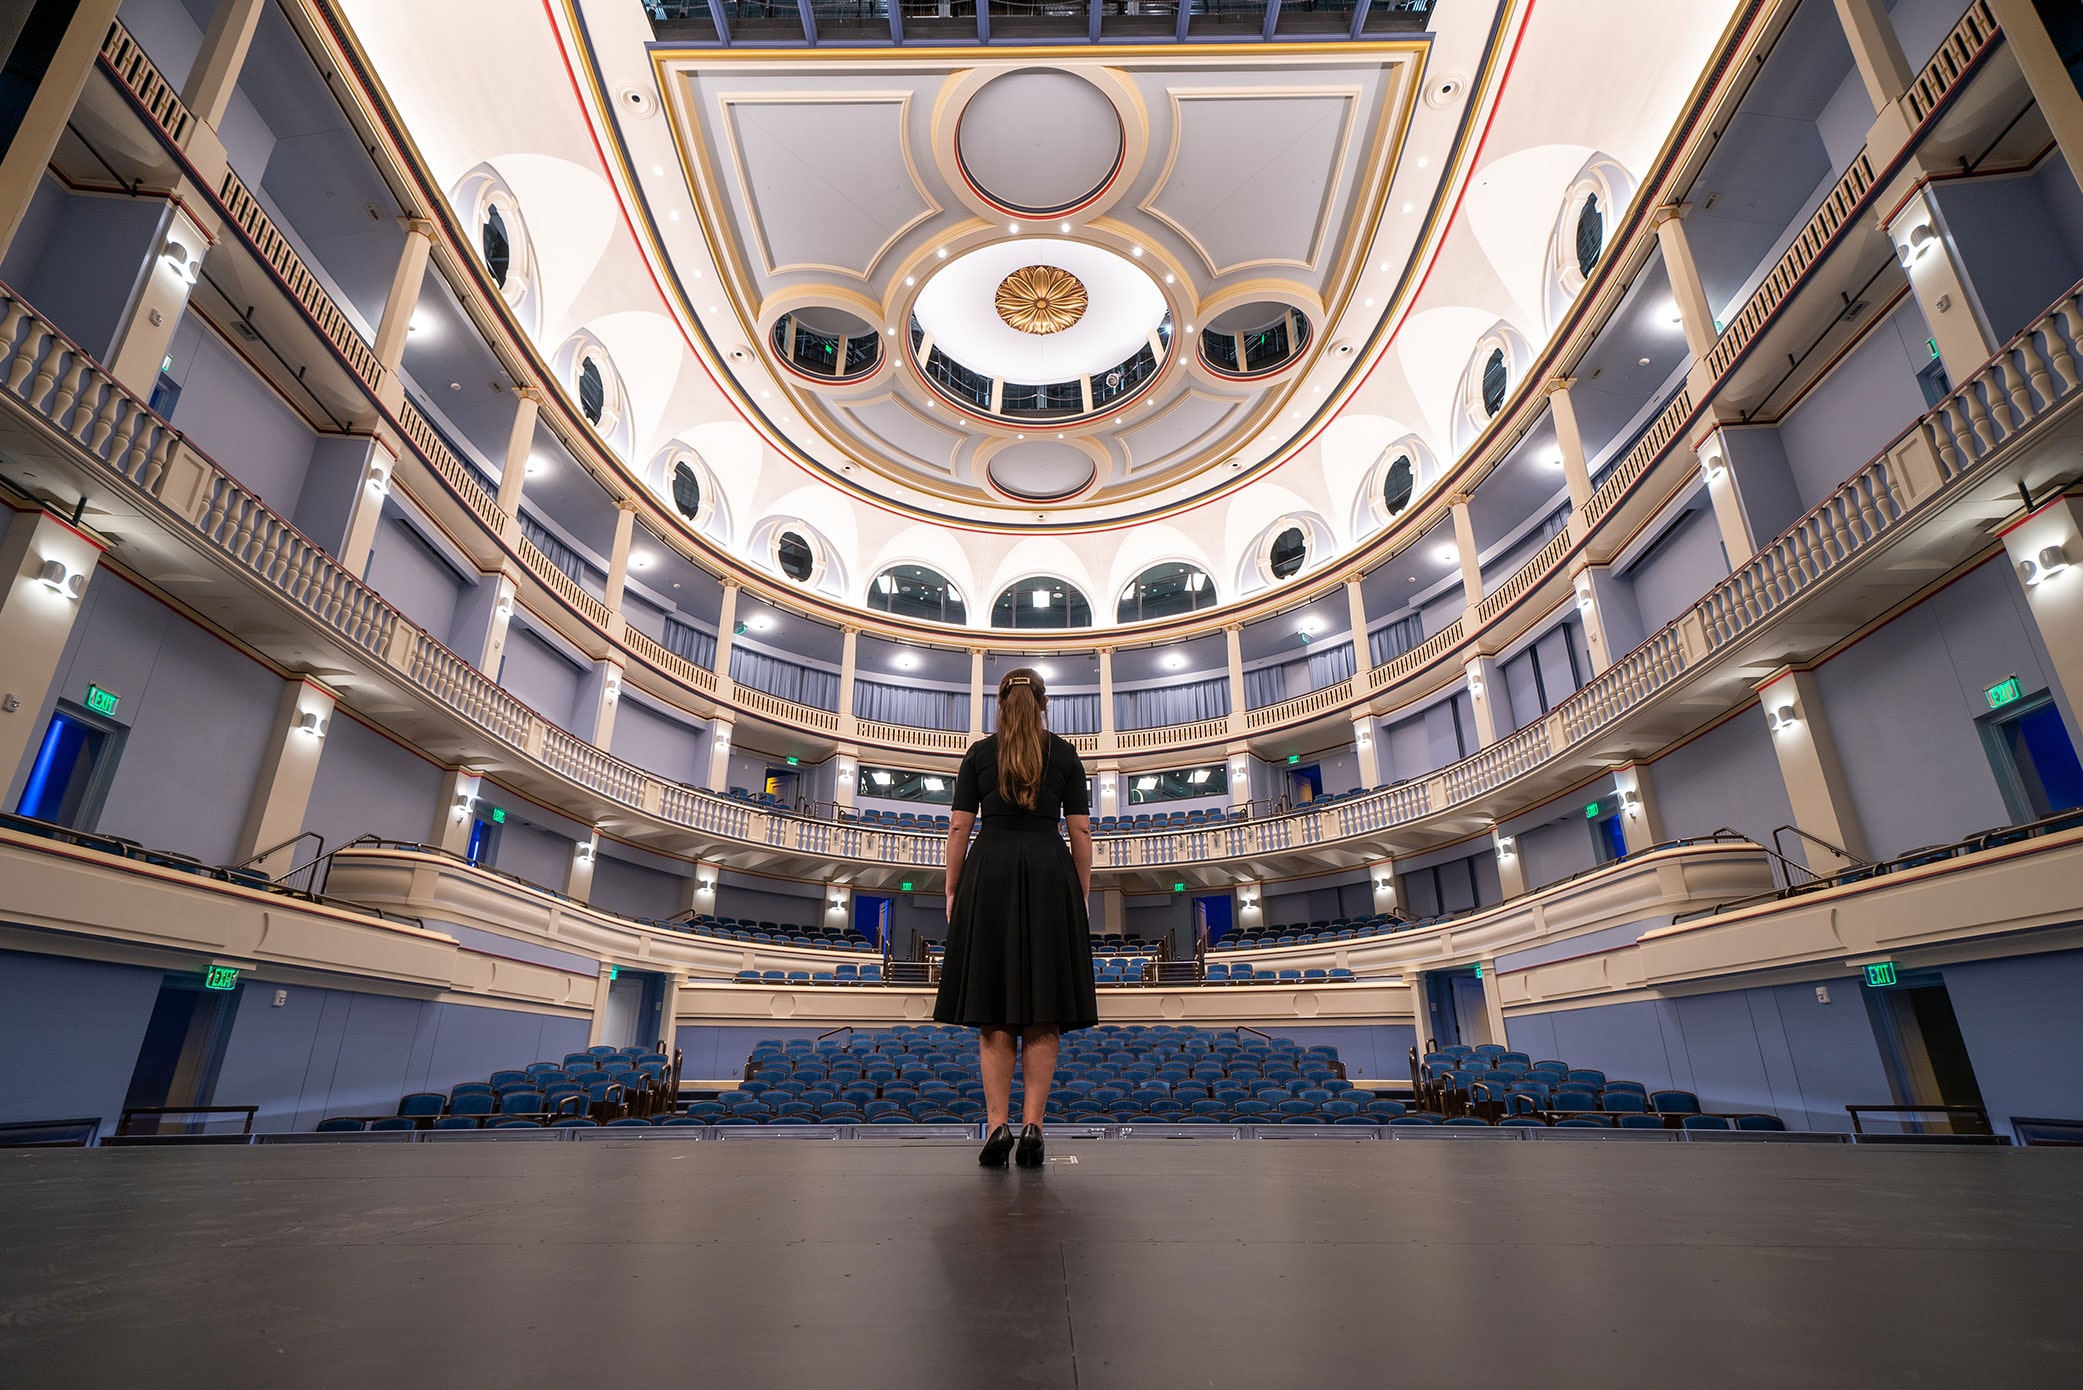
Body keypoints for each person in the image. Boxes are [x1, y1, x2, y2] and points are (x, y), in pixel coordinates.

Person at [934, 667, 1097, 1168]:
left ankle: (997, 1125)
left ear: (1000, 705)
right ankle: (1033, 1127)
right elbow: (1082, 834)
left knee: (995, 1009)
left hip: (992, 873)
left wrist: (953, 888)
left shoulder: (979, 754)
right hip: (1050, 872)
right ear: (1044, 703)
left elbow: (960, 827)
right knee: (1043, 1009)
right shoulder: (1065, 753)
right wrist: (1081, 896)